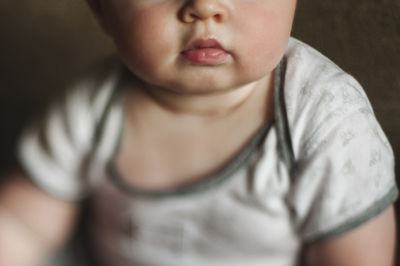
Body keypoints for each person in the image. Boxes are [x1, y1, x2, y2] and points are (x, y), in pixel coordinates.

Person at [0, 0, 397, 265]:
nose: (204, 6)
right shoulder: (91, 106)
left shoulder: (324, 117)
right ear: (102, 11)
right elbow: (23, 223)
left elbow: (357, 258)